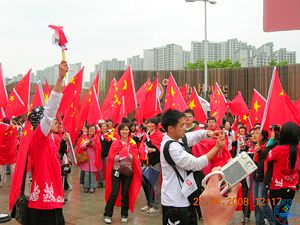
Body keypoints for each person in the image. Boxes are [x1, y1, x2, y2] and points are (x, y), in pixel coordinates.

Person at [160, 109, 224, 225]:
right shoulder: (171, 147)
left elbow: (195, 135)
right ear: (171, 128)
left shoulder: (178, 139)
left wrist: (209, 133)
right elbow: (196, 164)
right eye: (182, 125)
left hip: (186, 200)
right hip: (175, 203)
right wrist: (216, 148)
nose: (185, 128)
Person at [26, 60, 68, 225]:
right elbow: (50, 110)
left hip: (54, 200)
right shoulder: (39, 138)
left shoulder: (50, 139)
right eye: (52, 119)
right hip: (43, 205)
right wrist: (59, 79)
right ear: (42, 122)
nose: (56, 121)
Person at [104, 123, 142, 224]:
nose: (124, 131)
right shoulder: (115, 143)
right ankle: (107, 214)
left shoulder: (132, 143)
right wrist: (120, 155)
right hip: (116, 170)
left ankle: (124, 214)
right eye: (122, 130)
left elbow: (135, 158)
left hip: (128, 171)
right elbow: (111, 158)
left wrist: (128, 155)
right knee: (114, 192)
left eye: (126, 129)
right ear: (119, 131)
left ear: (129, 131)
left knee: (125, 193)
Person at [267, 122, 300, 225]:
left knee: (279, 218)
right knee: (283, 215)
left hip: (278, 190)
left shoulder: (278, 150)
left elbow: (267, 156)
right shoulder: (298, 149)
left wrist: (273, 139)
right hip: (291, 190)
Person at [250, 127, 275, 225]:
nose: (254, 135)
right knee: (256, 204)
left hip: (263, 178)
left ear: (263, 135)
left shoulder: (268, 144)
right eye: (253, 134)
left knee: (262, 204)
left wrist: (259, 150)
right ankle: (259, 223)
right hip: (256, 177)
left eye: (256, 133)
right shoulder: (255, 145)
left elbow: (265, 156)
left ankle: (273, 222)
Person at [140, 117, 163, 213]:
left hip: (156, 163)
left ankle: (157, 206)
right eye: (148, 123)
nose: (150, 125)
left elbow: (162, 149)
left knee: (157, 186)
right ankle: (149, 203)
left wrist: (153, 150)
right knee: (147, 184)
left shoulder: (160, 135)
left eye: (152, 123)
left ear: (157, 125)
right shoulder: (146, 135)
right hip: (146, 162)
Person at [76, 124, 102, 193]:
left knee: (92, 174)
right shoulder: (84, 138)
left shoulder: (96, 138)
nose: (92, 130)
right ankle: (86, 186)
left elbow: (99, 148)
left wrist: (94, 145)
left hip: (93, 158)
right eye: (91, 129)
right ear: (88, 130)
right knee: (86, 174)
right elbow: (80, 147)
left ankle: (92, 187)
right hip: (86, 158)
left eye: (93, 129)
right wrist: (86, 144)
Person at [0, 117, 18, 187]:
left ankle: (0, 182)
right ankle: (14, 182)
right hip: (11, 150)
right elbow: (20, 129)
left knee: (1, 166)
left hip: (2, 150)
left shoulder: (0, 128)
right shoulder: (13, 128)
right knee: (12, 166)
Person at [98, 122, 113, 188]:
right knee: (100, 169)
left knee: (108, 168)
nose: (103, 128)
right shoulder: (98, 135)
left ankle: (109, 182)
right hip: (100, 154)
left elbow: (112, 146)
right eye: (102, 126)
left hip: (107, 154)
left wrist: (110, 141)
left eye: (105, 126)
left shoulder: (110, 135)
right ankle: (100, 182)